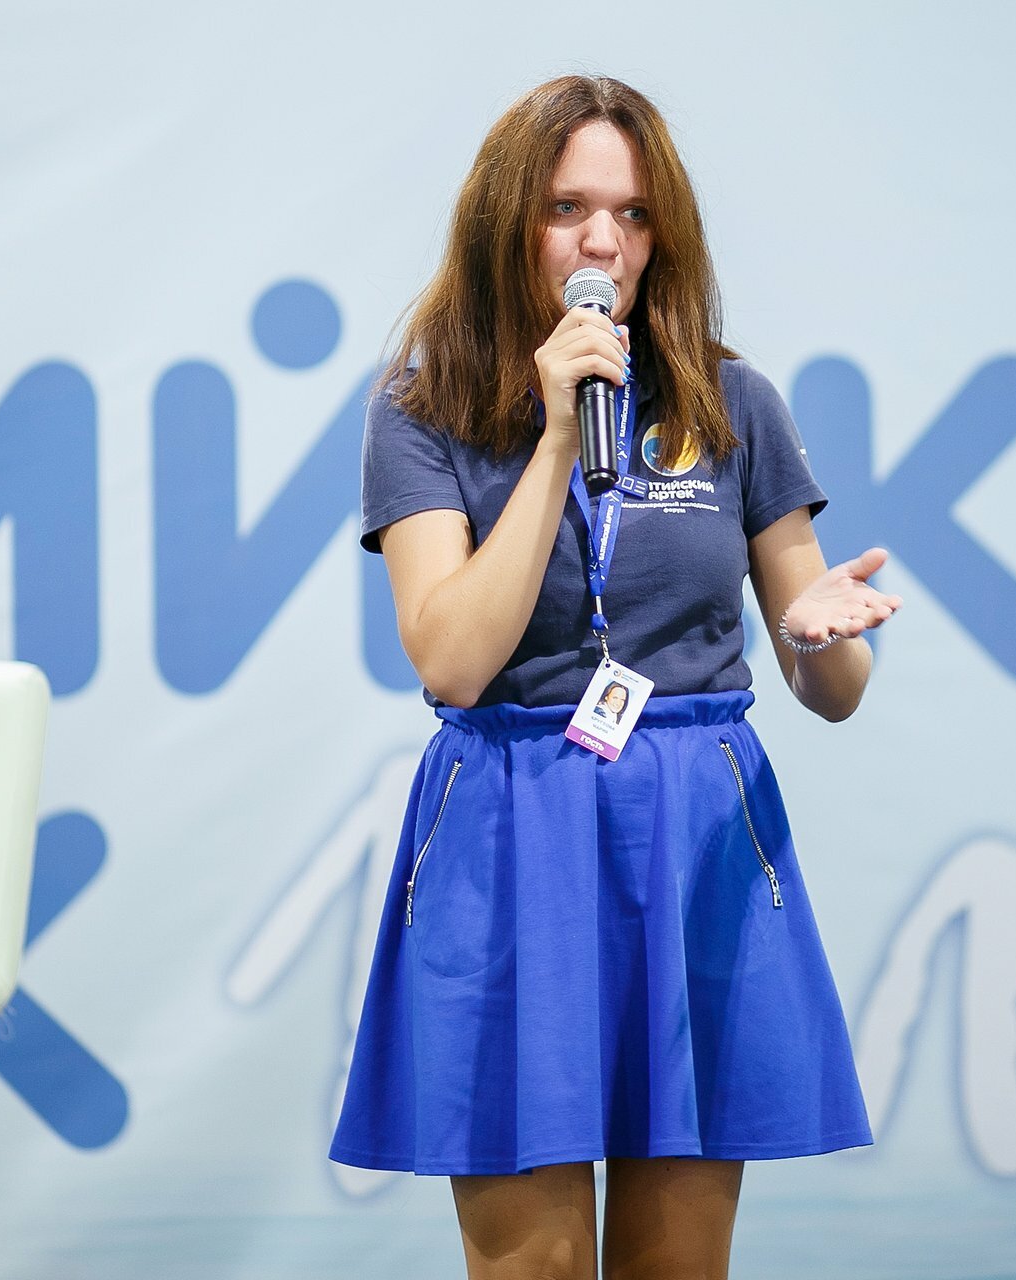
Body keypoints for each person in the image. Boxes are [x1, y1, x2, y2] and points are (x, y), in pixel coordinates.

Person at [331, 74, 901, 1280]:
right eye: (569, 209)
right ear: (507, 222)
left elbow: (835, 683)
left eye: (635, 214)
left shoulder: (732, 401)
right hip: (511, 827)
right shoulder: (422, 410)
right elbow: (452, 658)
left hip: (693, 836)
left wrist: (819, 635)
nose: (605, 242)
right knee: (531, 1265)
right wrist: (555, 436)